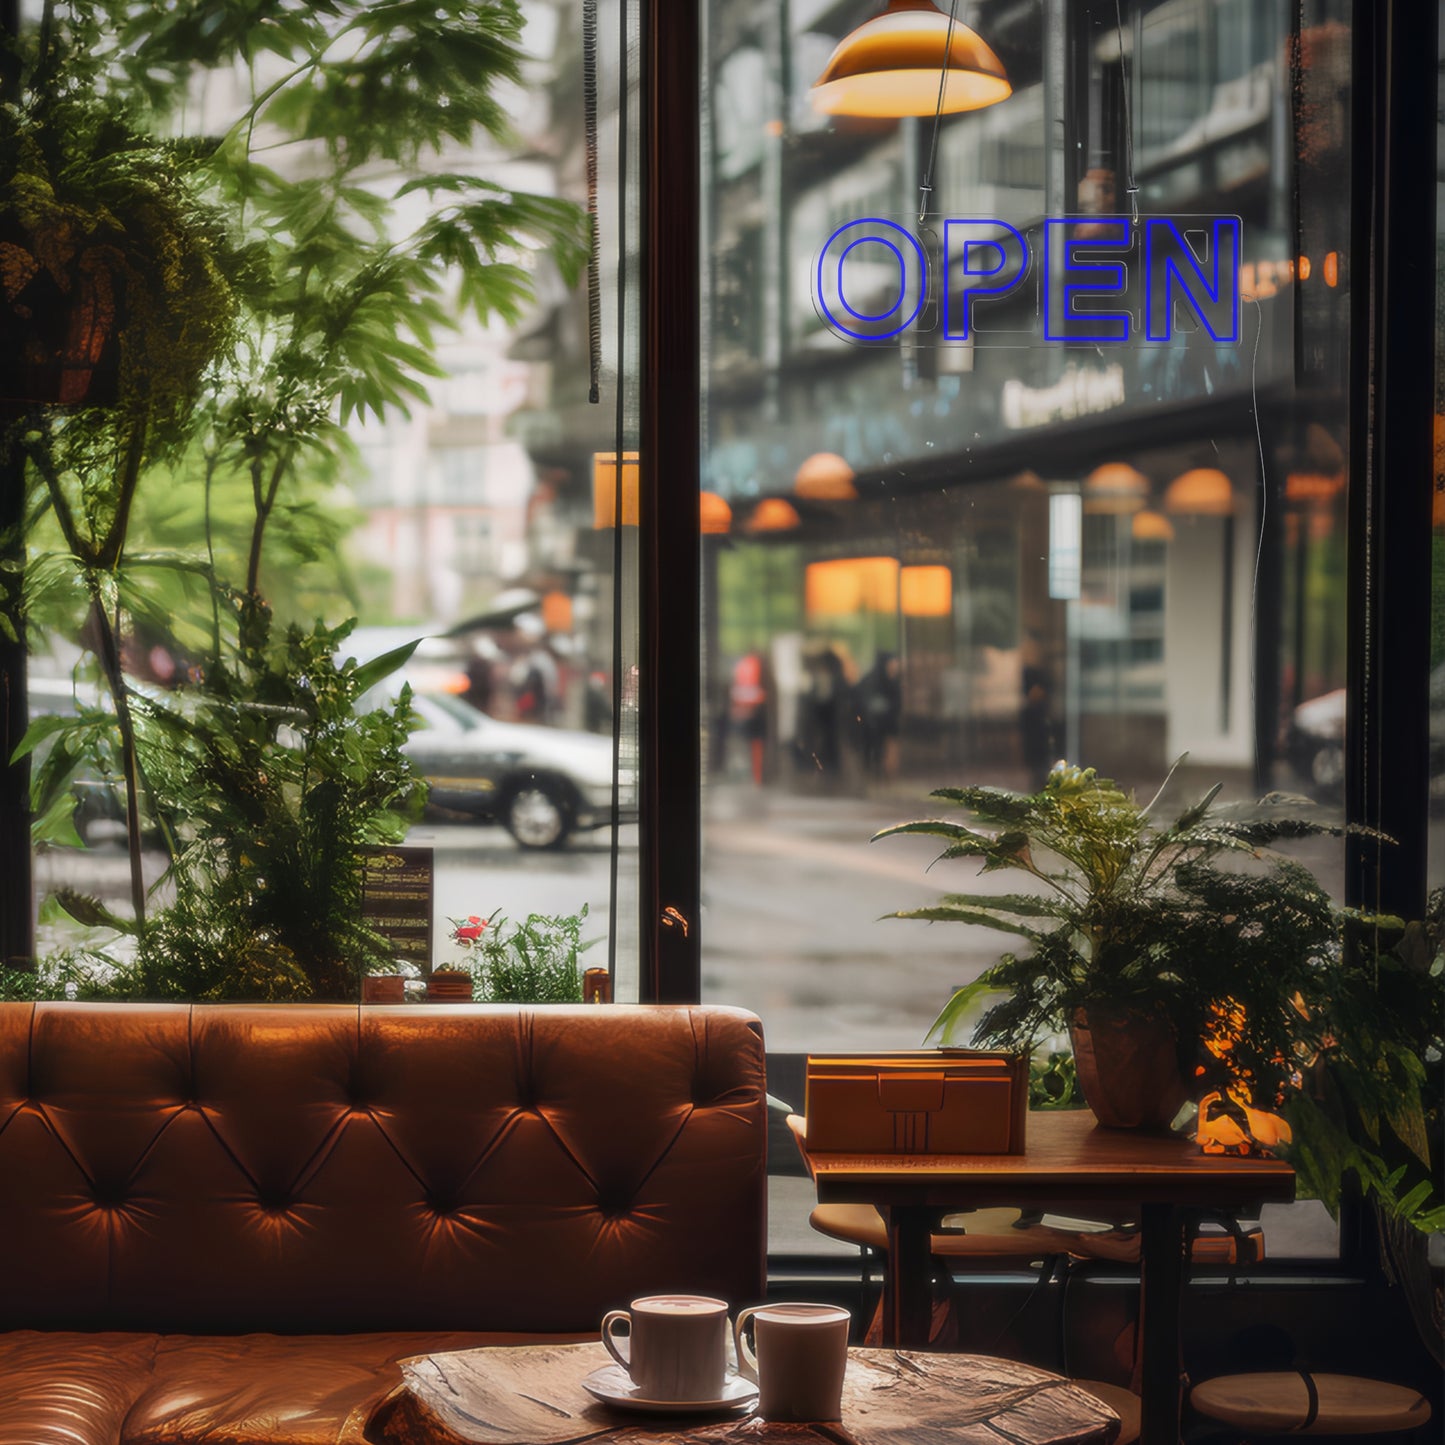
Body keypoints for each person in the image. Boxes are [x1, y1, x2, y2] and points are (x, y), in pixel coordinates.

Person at [856, 651, 902, 780]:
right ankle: (874, 773)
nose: (895, 666)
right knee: (873, 750)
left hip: (887, 724)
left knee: (887, 748)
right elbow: (863, 700)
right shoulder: (872, 680)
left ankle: (884, 774)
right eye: (892, 663)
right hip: (872, 724)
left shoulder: (893, 681)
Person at [729, 650, 768, 785]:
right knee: (748, 747)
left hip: (754, 716)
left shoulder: (746, 665)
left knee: (751, 747)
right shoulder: (750, 665)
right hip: (752, 716)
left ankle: (755, 776)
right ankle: (753, 776)